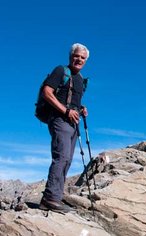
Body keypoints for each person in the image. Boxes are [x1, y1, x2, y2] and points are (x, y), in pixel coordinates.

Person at [39, 43, 90, 213]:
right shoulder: (61, 71)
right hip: (60, 120)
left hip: (72, 123)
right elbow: (47, 92)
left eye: (83, 58)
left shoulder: (80, 79)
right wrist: (65, 111)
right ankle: (50, 198)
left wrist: (80, 108)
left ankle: (56, 197)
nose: (79, 59)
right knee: (61, 157)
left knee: (67, 159)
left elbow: (71, 100)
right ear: (70, 56)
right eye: (77, 56)